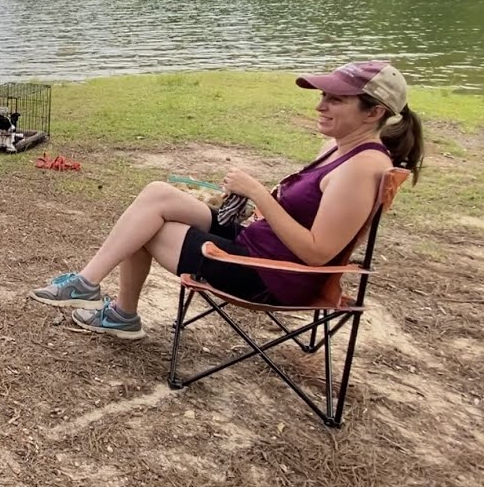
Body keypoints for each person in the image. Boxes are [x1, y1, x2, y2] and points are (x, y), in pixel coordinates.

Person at [29, 61, 424, 339]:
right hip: (258, 245)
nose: (321, 106)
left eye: (336, 100)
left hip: (269, 276)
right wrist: (257, 201)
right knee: (156, 194)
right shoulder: (339, 147)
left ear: (373, 112)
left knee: (146, 228)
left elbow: (318, 253)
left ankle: (116, 311)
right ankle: (93, 289)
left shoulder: (361, 168)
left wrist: (256, 193)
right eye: (324, 96)